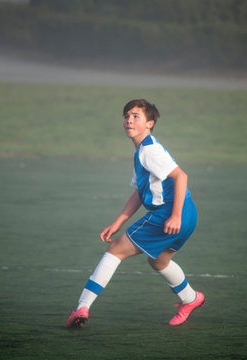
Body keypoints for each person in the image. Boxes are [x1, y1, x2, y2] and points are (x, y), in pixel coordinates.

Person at [65, 99, 204, 328]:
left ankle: (82, 306)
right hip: (188, 214)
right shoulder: (143, 149)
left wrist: (175, 215)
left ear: (149, 123)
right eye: (127, 116)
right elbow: (140, 192)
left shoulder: (149, 151)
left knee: (115, 250)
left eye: (136, 116)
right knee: (159, 260)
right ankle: (191, 299)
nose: (129, 120)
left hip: (171, 214)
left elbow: (181, 177)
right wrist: (118, 221)